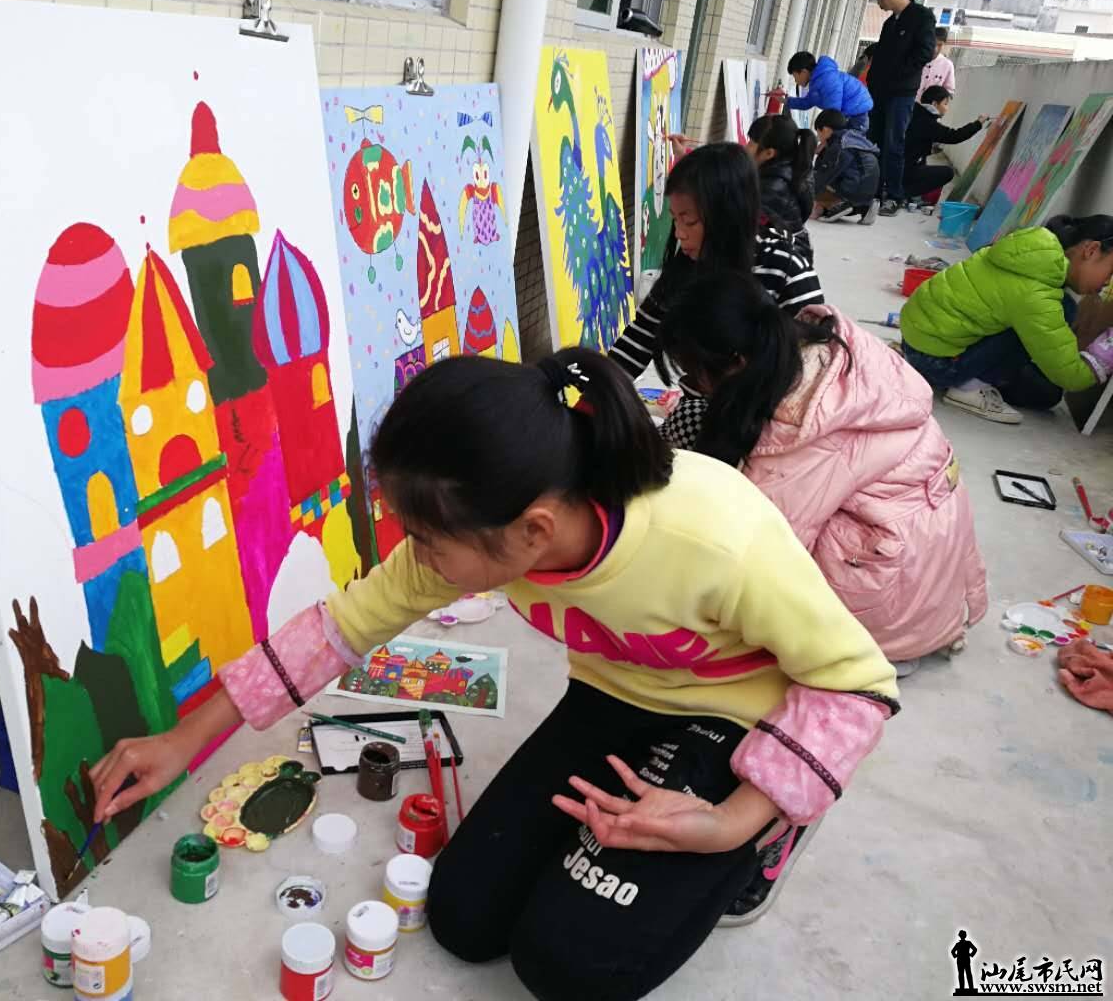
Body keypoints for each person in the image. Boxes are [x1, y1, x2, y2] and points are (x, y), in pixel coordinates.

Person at [88, 350, 899, 1000]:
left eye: (428, 542)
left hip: (738, 717)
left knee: (570, 966)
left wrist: (731, 821)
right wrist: (183, 740)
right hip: (614, 694)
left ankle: (773, 830)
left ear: (533, 531)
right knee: (464, 918)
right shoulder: (496, 520)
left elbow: (858, 681)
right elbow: (340, 628)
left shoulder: (716, 535)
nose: (417, 559)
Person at [656, 270, 987, 677]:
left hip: (894, 602)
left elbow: (763, 552)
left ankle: (878, 646)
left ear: (736, 363)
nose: (694, 385)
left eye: (694, 374)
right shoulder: (822, 350)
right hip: (932, 567)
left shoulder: (801, 428)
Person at [608, 143, 822, 448]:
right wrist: (594, 393)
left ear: (728, 214)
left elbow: (817, 365)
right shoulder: (684, 268)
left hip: (770, 430)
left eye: (690, 221)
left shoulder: (783, 266)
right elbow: (637, 341)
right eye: (675, 219)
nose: (680, 233)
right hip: (702, 419)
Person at [899, 215, 1113, 424]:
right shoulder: (1036, 293)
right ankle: (967, 389)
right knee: (1059, 317)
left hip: (917, 341)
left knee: (1046, 390)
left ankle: (959, 372)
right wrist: (1102, 358)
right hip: (938, 362)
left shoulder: (1029, 253)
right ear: (1091, 250)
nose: (1108, 282)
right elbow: (1070, 376)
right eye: (1111, 271)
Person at [866, 0, 936, 216]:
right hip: (879, 92)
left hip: (902, 92)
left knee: (894, 142)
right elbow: (881, 58)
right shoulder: (889, 23)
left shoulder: (921, 17)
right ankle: (874, 191)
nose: (879, 2)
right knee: (874, 139)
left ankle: (894, 196)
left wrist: (898, 74)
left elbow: (924, 52)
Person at [902, 86, 987, 212]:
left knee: (923, 163)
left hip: (897, 165)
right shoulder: (927, 122)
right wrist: (978, 123)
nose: (947, 108)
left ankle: (902, 191)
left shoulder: (914, 112)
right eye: (945, 104)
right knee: (947, 173)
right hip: (905, 169)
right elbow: (954, 136)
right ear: (934, 104)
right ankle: (902, 193)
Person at [745, 113, 816, 243]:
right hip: (789, 243)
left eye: (751, 143)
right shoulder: (795, 166)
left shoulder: (772, 187)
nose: (745, 147)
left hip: (781, 250)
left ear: (769, 153)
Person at [811, 109, 881, 224]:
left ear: (826, 129)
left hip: (851, 190)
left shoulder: (838, 145)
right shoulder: (853, 137)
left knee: (815, 186)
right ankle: (865, 208)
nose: (818, 138)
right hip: (868, 192)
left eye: (818, 133)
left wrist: (806, 195)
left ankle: (838, 205)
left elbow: (824, 175)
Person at [784, 52, 874, 131]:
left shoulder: (826, 80)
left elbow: (833, 115)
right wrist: (786, 101)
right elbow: (807, 102)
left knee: (846, 142)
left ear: (803, 72)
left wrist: (825, 136)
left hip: (857, 114)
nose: (796, 81)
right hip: (852, 112)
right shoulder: (817, 81)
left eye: (795, 77)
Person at [919, 26, 957, 99]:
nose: (935, 49)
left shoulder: (947, 65)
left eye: (940, 45)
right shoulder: (917, 58)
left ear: (944, 44)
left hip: (931, 105)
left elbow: (949, 90)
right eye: (933, 44)